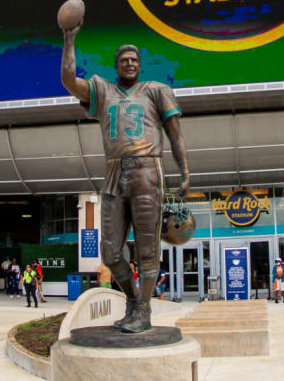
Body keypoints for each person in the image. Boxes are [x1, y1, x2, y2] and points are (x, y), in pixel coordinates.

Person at [61, 27, 190, 333]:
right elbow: (68, 80)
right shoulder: (102, 90)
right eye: (124, 60)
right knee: (110, 252)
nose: (130, 63)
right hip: (115, 172)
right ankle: (133, 300)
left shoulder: (156, 90)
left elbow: (176, 135)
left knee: (147, 249)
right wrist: (69, 37)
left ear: (140, 64)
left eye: (134, 59)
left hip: (148, 171)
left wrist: (185, 170)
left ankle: (143, 311)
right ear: (116, 66)